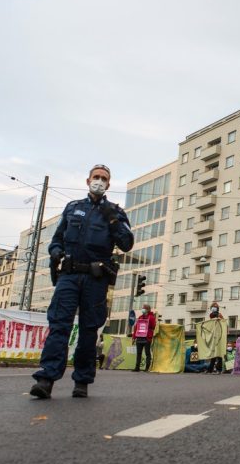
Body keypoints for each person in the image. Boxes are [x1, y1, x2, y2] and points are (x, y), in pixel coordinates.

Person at [29, 164, 134, 399]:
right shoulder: (73, 208)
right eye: (96, 177)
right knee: (59, 325)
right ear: (88, 181)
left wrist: (113, 221)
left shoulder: (115, 212)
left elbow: (127, 243)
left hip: (95, 278)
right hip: (69, 275)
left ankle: (82, 381)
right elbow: (56, 240)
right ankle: (46, 378)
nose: (99, 181)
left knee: (89, 329)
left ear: (109, 184)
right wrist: (56, 252)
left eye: (103, 178)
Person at [132, 304, 156, 372]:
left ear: (148, 309)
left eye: (144, 308)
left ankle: (147, 368)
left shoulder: (151, 317)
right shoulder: (140, 317)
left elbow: (153, 326)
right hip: (139, 337)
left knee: (147, 353)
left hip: (147, 337)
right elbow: (136, 328)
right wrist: (134, 337)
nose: (142, 309)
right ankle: (137, 367)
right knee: (138, 353)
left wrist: (147, 321)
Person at [205, 302, 225, 374]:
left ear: (217, 308)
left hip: (219, 335)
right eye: (213, 306)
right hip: (213, 335)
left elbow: (224, 323)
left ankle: (219, 369)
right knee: (213, 352)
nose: (214, 307)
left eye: (215, 306)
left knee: (219, 353)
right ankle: (210, 369)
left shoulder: (219, 314)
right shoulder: (211, 315)